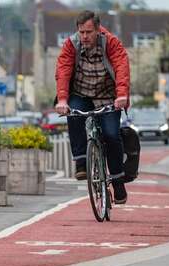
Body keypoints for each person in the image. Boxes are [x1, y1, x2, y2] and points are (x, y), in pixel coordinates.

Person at [54, 10, 131, 204]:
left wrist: (122, 95)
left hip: (108, 96)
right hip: (81, 93)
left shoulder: (110, 42)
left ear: (98, 29)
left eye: (89, 32)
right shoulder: (71, 44)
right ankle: (81, 161)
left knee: (112, 135)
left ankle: (118, 180)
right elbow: (63, 70)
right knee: (74, 115)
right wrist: (62, 100)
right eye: (81, 32)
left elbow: (122, 67)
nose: (85, 36)